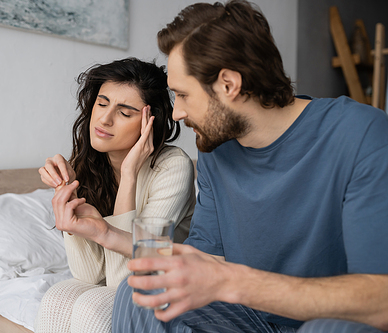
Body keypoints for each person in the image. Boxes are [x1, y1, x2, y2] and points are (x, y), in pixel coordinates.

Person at [112, 1, 388, 332]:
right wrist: (105, 234)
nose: (177, 114)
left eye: (183, 95)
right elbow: (206, 261)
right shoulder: (216, 150)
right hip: (250, 318)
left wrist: (235, 281)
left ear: (229, 85)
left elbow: (381, 298)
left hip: (329, 321)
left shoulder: (360, 133)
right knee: (143, 290)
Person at [33, 57, 196, 333]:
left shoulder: (173, 166)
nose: (104, 119)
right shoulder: (91, 162)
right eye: (102, 103)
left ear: (149, 123)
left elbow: (122, 278)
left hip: (166, 283)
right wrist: (67, 194)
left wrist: (130, 174)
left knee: (91, 307)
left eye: (124, 112)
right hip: (121, 282)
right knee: (55, 299)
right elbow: (88, 275)